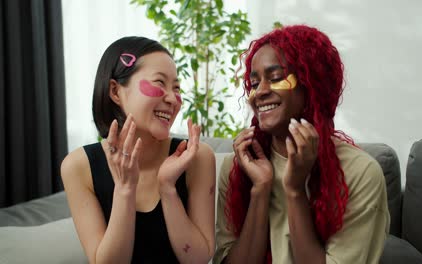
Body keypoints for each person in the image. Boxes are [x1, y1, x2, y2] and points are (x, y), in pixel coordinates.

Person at [214, 25, 390, 264]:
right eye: (254, 84)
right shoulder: (241, 166)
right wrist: (260, 189)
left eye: (275, 78)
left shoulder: (360, 173)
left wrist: (295, 190)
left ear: (312, 85)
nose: (259, 92)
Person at [61, 36, 215, 263]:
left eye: (176, 87)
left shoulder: (197, 157)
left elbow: (198, 259)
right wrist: (124, 189)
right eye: (159, 83)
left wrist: (168, 188)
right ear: (115, 91)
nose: (173, 98)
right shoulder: (77, 167)